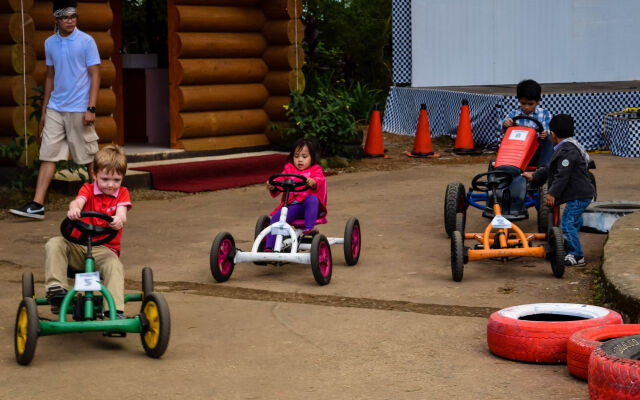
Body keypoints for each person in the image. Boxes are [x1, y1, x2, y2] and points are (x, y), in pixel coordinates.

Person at [10, 0, 101, 220]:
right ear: (57, 19)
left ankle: (104, 201)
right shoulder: (50, 43)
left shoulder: (87, 41)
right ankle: (37, 205)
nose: (70, 21)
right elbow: (50, 76)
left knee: (88, 157)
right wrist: (44, 110)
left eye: (73, 17)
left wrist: (91, 107)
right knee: (48, 155)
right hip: (55, 108)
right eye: (65, 17)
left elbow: (95, 74)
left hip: (80, 108)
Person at [44, 145, 131, 317]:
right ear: (94, 175)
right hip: (77, 247)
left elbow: (122, 213)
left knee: (114, 265)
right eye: (105, 179)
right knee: (55, 243)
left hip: (104, 250)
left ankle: (114, 311)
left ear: (122, 178)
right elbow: (78, 201)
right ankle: (57, 289)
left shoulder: (122, 193)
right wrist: (75, 209)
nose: (110, 185)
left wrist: (119, 219)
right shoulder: (88, 189)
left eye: (116, 180)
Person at [522, 114, 595, 267]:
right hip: (580, 194)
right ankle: (568, 249)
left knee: (567, 223)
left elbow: (562, 175)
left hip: (579, 195)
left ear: (553, 134)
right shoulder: (566, 147)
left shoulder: (567, 151)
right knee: (573, 222)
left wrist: (551, 193)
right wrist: (535, 176)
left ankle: (577, 255)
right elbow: (551, 167)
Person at [265, 138, 327, 250]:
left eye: (304, 157)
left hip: (308, 208)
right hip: (292, 207)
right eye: (296, 156)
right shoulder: (289, 169)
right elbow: (280, 179)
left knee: (312, 199)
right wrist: (273, 185)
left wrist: (313, 182)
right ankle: (269, 247)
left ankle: (309, 228)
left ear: (312, 158)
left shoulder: (315, 169)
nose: (300, 160)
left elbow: (319, 179)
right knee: (276, 218)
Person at [500, 79, 553, 167]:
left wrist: (545, 133)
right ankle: (509, 166)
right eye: (523, 103)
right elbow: (500, 126)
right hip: (518, 151)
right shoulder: (514, 114)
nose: (526, 107)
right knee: (507, 139)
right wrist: (505, 124)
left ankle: (543, 168)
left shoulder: (545, 114)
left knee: (549, 139)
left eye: (530, 104)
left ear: (538, 101)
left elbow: (548, 128)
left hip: (536, 151)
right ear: (519, 100)